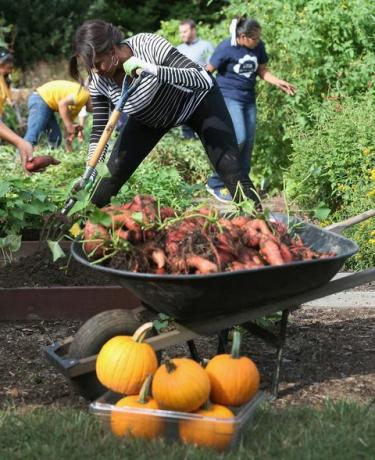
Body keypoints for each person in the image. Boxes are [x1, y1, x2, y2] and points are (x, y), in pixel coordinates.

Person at [69, 19, 261, 209]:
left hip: (197, 102)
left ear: (111, 50)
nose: (95, 71)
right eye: (89, 67)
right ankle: (82, 229)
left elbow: (203, 79)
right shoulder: (99, 81)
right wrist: (90, 171)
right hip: (150, 119)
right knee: (106, 183)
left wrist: (150, 69)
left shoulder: (147, 45)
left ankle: (259, 221)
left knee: (232, 171)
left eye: (97, 63)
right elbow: (100, 131)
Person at [206, 17, 296, 203]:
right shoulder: (226, 47)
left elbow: (262, 71)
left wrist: (278, 82)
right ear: (242, 37)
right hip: (229, 97)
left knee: (248, 143)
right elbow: (208, 70)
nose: (258, 42)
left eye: (258, 38)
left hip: (248, 99)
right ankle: (215, 182)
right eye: (254, 39)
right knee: (237, 138)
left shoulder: (258, 46)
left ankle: (242, 186)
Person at [24, 80, 90, 151]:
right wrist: (70, 126)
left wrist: (69, 140)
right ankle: (21, 159)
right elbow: (62, 104)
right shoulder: (84, 94)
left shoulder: (79, 105)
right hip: (40, 99)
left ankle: (49, 157)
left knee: (56, 138)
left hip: (47, 105)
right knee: (33, 135)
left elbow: (67, 127)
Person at [177, 19, 214, 140]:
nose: (182, 35)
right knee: (186, 125)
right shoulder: (178, 49)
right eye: (181, 32)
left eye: (185, 31)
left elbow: (211, 66)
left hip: (201, 93)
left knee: (203, 124)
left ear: (193, 30)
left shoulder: (206, 46)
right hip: (182, 93)